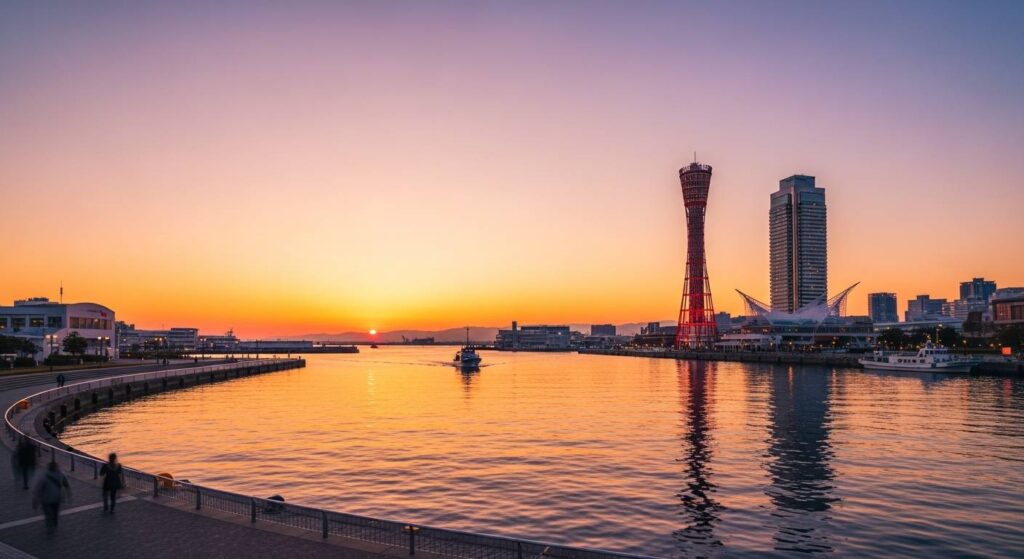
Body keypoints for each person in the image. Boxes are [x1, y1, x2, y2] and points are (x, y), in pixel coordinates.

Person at [33, 461, 71, 535]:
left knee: (48, 514)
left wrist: (35, 501)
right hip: (57, 498)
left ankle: (50, 526)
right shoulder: (61, 474)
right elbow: (66, 485)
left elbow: (38, 489)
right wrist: (69, 495)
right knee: (55, 512)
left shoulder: (44, 477)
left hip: (46, 499)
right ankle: (54, 524)